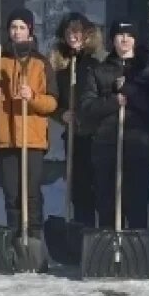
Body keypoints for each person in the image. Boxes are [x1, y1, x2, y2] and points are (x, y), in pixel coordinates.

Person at [80, 18, 149, 230]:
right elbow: (87, 107)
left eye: (129, 35)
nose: (125, 39)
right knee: (107, 205)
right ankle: (109, 254)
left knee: (137, 204)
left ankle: (135, 255)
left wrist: (131, 92)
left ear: (135, 39)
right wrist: (113, 101)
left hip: (139, 146)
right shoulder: (99, 71)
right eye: (120, 35)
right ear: (113, 39)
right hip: (106, 147)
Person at [0, 8, 58, 236]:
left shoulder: (40, 64)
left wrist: (32, 97)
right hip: (4, 138)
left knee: (31, 192)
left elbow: (52, 103)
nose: (17, 32)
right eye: (13, 27)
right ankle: (15, 237)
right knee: (11, 192)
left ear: (30, 31)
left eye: (22, 27)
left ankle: (33, 237)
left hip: (32, 139)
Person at [49, 12, 102, 227]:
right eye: (69, 31)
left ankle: (101, 237)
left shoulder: (97, 63)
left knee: (99, 189)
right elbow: (51, 100)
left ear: (87, 34)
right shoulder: (60, 68)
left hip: (98, 136)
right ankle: (82, 235)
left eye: (78, 30)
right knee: (78, 192)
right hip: (74, 136)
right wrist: (61, 114)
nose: (74, 35)